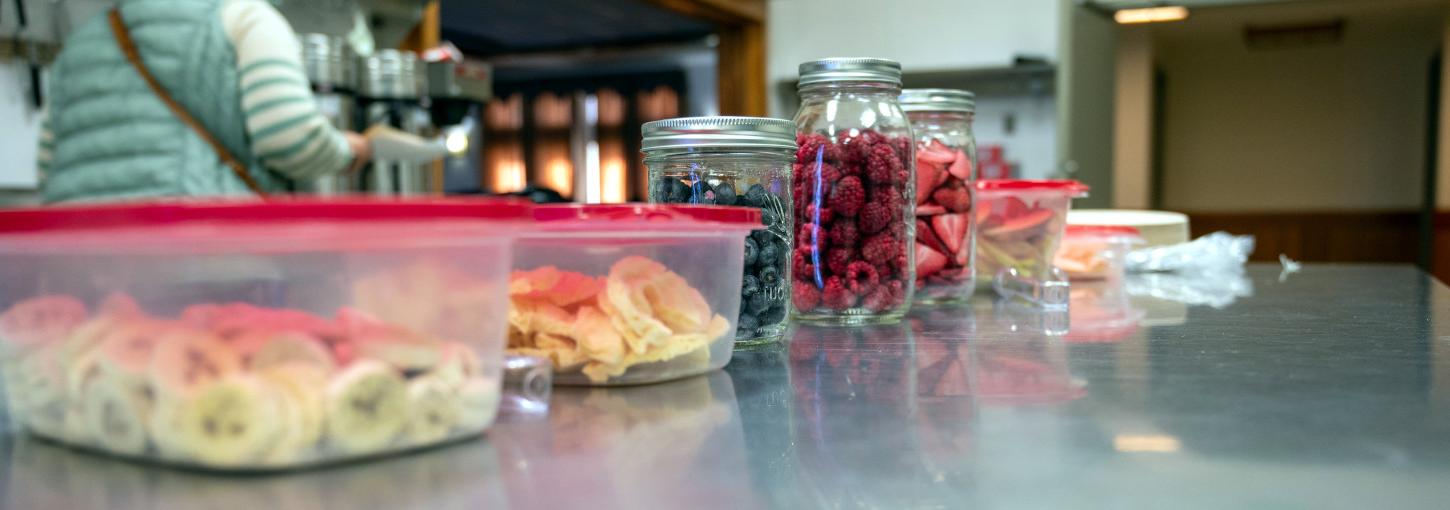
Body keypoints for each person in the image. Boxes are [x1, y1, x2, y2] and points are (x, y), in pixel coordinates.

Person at [36, 0, 371, 203]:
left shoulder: (78, 42)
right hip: (204, 255)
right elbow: (289, 138)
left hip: (87, 267)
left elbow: (46, 166)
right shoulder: (243, 18)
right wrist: (348, 151)